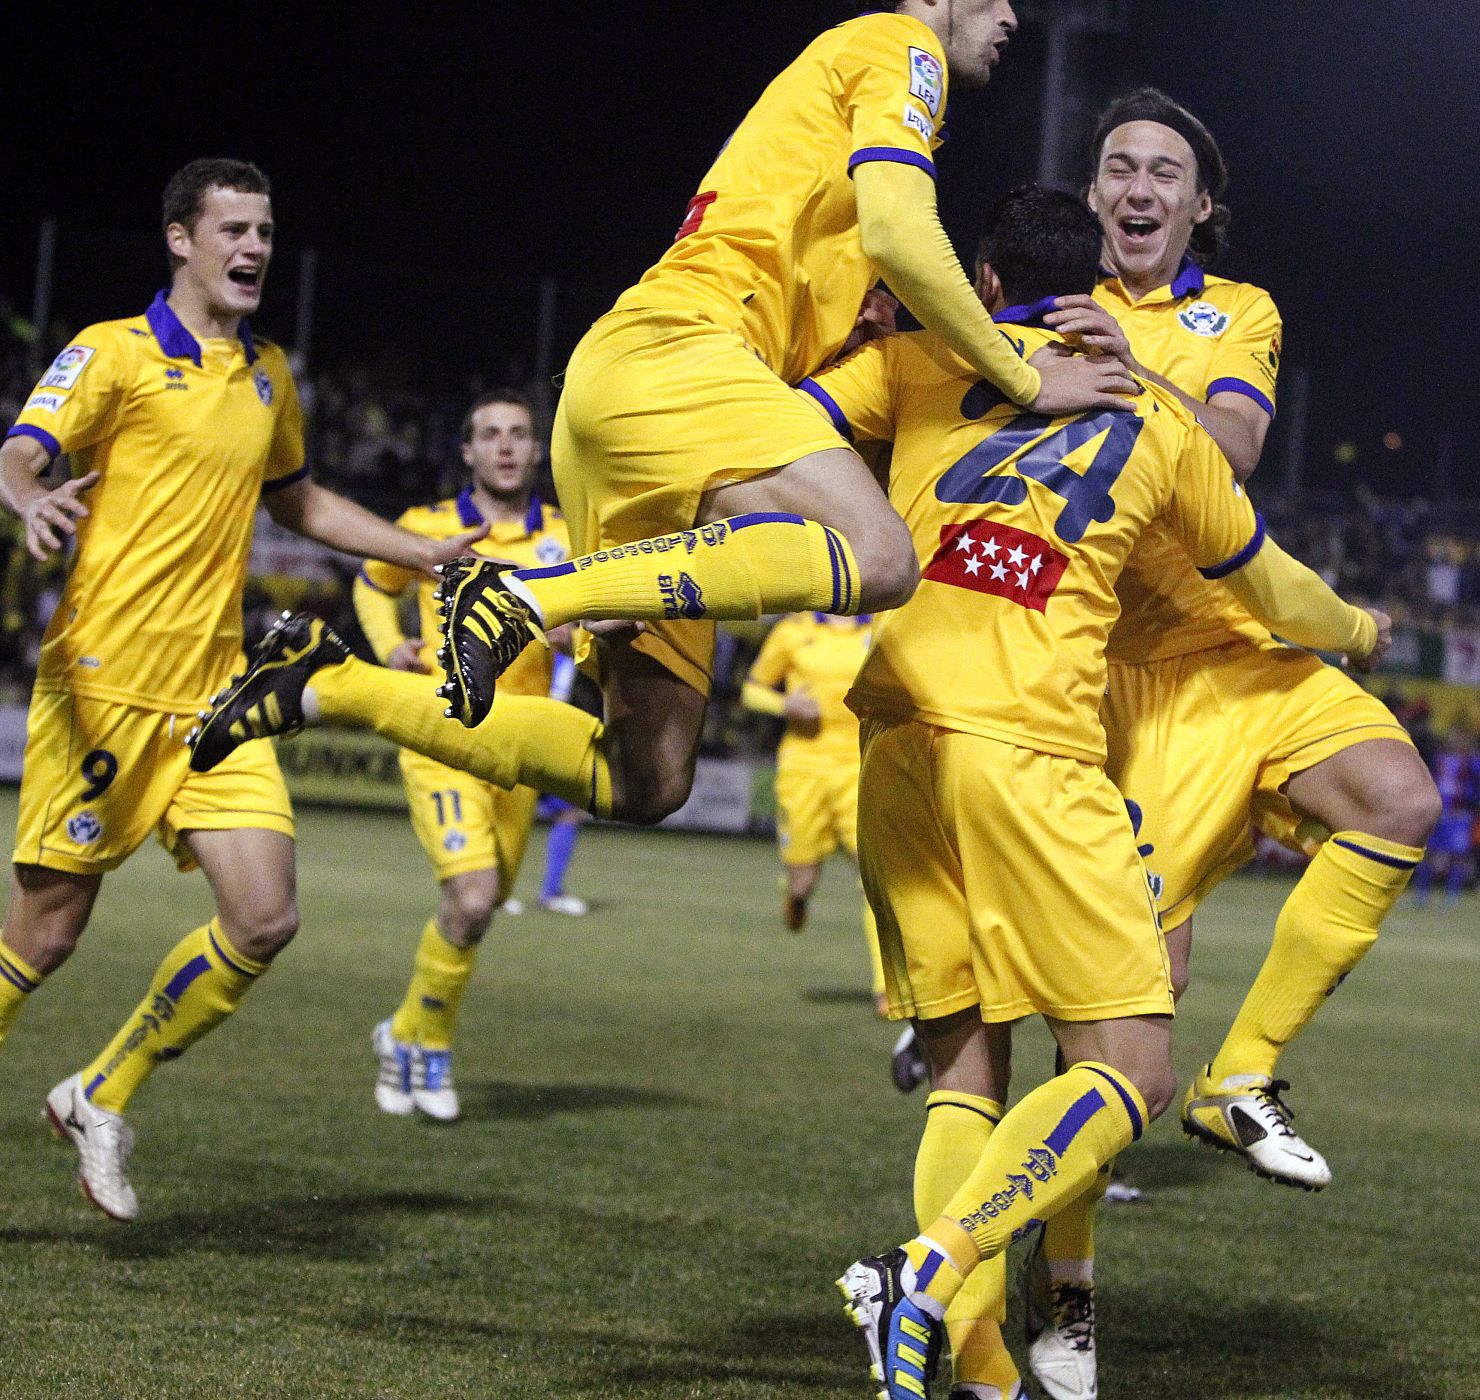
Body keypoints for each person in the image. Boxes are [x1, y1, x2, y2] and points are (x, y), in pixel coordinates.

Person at [185, 3, 1136, 826]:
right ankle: (528, 596)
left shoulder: (830, 140)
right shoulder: (898, 47)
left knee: (645, 775)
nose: (1013, 17)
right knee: (883, 557)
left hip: (636, 397)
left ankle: (322, 682)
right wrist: (1023, 374)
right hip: (684, 353)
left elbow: (858, 263)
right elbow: (899, 226)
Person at [802, 185, 1388, 1400]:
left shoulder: (914, 359)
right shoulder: (1153, 419)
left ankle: (981, 1373)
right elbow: (1269, 587)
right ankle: (928, 1266)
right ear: (1099, 294)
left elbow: (773, 425)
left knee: (966, 1066)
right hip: (1027, 745)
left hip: (894, 737)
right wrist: (1362, 627)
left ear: (983, 274)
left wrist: (851, 327)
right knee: (1130, 1063)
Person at [1019, 90, 1440, 1397]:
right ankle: (1068, 1302)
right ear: (1091, 198)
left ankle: (1244, 1079)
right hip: (1129, 691)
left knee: (1399, 798)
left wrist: (1123, 365)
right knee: (1116, 1031)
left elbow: (1240, 444)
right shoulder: (1031, 305)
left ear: (1200, 208)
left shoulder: (1233, 312)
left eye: (1165, 173)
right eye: (1116, 168)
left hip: (1249, 653)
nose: (1138, 186)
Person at [0, 159, 483, 1220]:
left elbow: (298, 498)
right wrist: (31, 495)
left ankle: (100, 1093)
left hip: (219, 694)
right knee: (45, 935)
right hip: (106, 683)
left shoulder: (271, 373)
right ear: (181, 238)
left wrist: (423, 550)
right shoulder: (112, 353)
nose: (255, 247)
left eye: (265, 229)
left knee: (264, 917)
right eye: (234, 228)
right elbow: (22, 449)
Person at [353, 387, 575, 1122]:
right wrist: (391, 650)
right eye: (491, 434)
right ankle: (432, 1045)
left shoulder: (567, 539)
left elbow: (596, 627)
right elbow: (370, 584)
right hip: (442, 734)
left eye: (519, 433)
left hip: (523, 751)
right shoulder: (428, 529)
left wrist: (591, 637)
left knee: (471, 911)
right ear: (468, 452)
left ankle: (402, 1031)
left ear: (537, 450)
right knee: (475, 894)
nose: (507, 446)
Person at [1412, 724, 1477, 908]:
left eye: (1457, 737)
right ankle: (1422, 896)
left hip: (1458, 816)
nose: (1453, 740)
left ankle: (1451, 897)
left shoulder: (1470, 761)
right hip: (1439, 814)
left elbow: (1473, 785)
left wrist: (1469, 805)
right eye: (1451, 736)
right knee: (1428, 853)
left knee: (1457, 856)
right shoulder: (1439, 759)